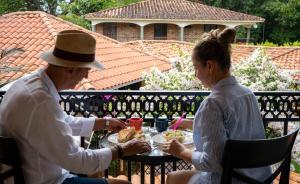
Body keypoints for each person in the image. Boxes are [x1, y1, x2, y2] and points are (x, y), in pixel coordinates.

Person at [0, 30, 151, 184]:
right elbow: (76, 160)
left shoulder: (29, 85)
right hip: (47, 179)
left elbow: (63, 122)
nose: (86, 77)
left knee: (96, 170)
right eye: (86, 70)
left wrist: (105, 123)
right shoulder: (41, 101)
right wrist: (122, 150)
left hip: (35, 170)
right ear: (70, 69)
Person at [162, 28, 271, 184]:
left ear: (210, 66)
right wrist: (192, 124)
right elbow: (235, 130)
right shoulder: (247, 94)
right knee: (191, 171)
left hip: (230, 179)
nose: (195, 74)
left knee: (172, 178)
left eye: (196, 67)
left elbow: (212, 162)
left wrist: (182, 151)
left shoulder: (213, 104)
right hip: (259, 179)